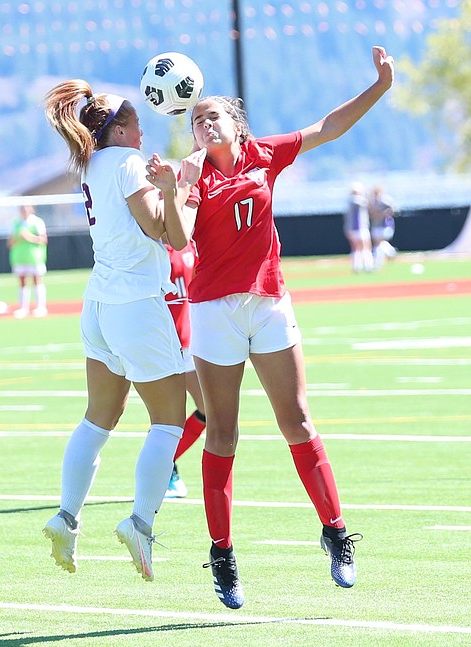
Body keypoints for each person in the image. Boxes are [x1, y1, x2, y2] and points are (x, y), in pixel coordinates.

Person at [149, 45, 394, 609]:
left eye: (213, 115)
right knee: (223, 433)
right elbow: (178, 239)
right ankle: (222, 554)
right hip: (214, 310)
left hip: (268, 303)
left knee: (298, 420)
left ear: (235, 124)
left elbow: (329, 127)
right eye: (196, 120)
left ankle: (336, 532)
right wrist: (172, 188)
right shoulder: (191, 173)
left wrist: (379, 87)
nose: (204, 124)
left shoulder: (264, 154)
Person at [41, 79, 202, 582]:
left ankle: (66, 516)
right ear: (119, 130)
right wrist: (184, 189)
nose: (142, 132)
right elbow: (166, 232)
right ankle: (140, 523)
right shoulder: (128, 163)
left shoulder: (90, 163)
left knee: (97, 420)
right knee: (169, 423)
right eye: (136, 124)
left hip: (98, 304)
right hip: (136, 303)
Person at [163, 240, 206, 498]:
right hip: (163, 343)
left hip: (191, 342)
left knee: (209, 410)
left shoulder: (189, 243)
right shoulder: (151, 244)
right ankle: (165, 472)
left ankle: (164, 464)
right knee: (166, 416)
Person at [7, 205, 48, 318]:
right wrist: (19, 238)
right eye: (22, 209)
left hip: (35, 257)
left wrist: (29, 237)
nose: (25, 211)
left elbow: (43, 240)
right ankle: (23, 308)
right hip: (19, 257)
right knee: (22, 283)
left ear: (31, 209)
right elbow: (10, 243)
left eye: (27, 208)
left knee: (37, 281)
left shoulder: (37, 222)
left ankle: (41, 307)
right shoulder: (15, 223)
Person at [344, 182, 373, 273]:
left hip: (352, 228)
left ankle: (357, 266)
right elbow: (368, 204)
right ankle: (367, 266)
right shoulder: (355, 200)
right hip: (359, 228)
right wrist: (369, 194)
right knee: (365, 247)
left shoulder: (349, 200)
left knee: (357, 248)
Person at [368, 185, 397, 269]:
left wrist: (384, 214)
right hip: (375, 225)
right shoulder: (372, 201)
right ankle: (391, 252)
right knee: (379, 244)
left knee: (379, 243)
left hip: (385, 225)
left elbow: (393, 209)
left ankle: (378, 263)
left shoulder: (385, 200)